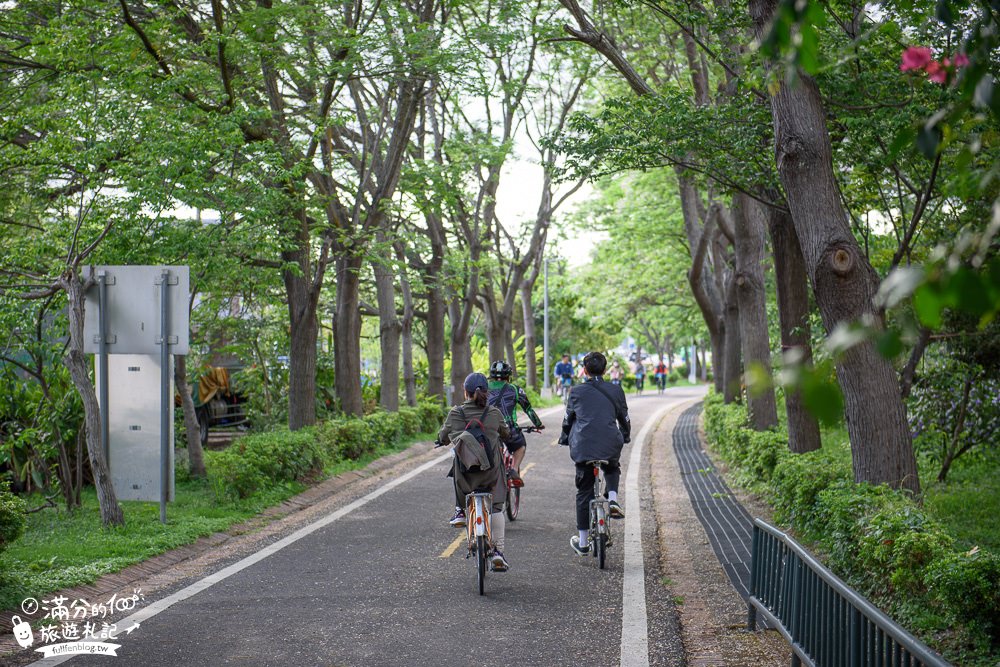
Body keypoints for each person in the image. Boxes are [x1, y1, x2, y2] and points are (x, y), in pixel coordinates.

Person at [558, 351, 631, 556]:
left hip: (583, 447)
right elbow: (624, 418)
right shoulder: (616, 390)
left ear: (584, 370)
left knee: (584, 492)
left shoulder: (576, 391)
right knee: (612, 464)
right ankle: (614, 499)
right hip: (610, 444)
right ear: (605, 370)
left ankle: (582, 543)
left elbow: (567, 420)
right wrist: (624, 436)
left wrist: (565, 438)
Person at [438, 372, 512, 571]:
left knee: (456, 463)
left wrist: (443, 439)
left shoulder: (456, 413)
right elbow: (506, 433)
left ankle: (460, 510)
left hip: (466, 476)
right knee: (496, 507)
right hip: (491, 474)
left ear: (465, 392)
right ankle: (498, 551)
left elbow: (443, 436)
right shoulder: (494, 413)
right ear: (486, 393)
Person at [487, 360, 544, 486]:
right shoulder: (515, 389)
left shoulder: (483, 388)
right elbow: (528, 409)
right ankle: (514, 469)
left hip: (487, 428)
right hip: (508, 429)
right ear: (509, 376)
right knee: (520, 446)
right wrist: (538, 424)